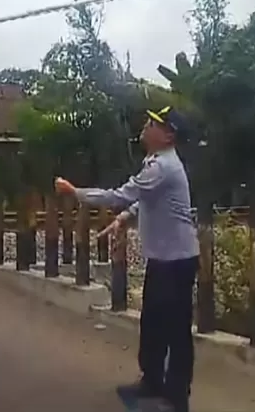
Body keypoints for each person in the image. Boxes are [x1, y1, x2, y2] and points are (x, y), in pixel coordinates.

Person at [55, 106, 199, 412]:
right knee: (152, 322)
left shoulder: (163, 167)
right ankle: (152, 381)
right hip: (162, 260)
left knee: (175, 329)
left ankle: (176, 397)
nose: (146, 126)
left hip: (176, 260)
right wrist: (122, 219)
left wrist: (74, 191)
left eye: (153, 124)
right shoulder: (156, 163)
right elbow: (142, 201)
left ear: (168, 135)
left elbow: (120, 194)